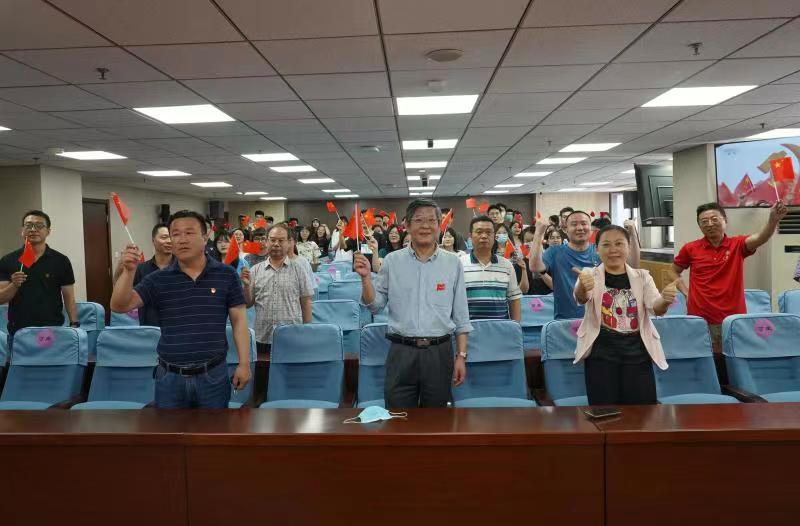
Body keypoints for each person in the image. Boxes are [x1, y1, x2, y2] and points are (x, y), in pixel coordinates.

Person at [110, 210, 251, 409]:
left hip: (213, 375)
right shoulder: (158, 279)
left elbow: (239, 322)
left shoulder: (226, 274)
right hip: (170, 377)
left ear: (205, 237)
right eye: (175, 234)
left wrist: (244, 364)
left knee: (214, 429)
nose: (182, 239)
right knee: (169, 429)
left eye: (189, 232)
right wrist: (128, 271)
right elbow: (119, 305)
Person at [356, 199, 472, 408]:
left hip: (439, 352)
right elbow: (376, 305)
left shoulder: (453, 263)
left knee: (436, 418)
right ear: (407, 225)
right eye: (418, 220)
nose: (425, 226)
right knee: (398, 417)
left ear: (439, 225)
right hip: (401, 351)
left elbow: (461, 316)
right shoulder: (392, 261)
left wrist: (461, 356)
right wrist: (365, 279)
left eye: (431, 220)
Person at [574, 225, 675, 405]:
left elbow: (656, 308)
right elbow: (581, 298)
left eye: (619, 243)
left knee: (642, 410)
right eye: (606, 244)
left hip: (637, 350)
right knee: (604, 410)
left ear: (629, 247)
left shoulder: (642, 276)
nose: (613, 249)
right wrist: (583, 286)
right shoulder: (589, 274)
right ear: (597, 249)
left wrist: (665, 300)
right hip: (601, 352)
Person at [670, 201, 788, 352]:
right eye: (704, 221)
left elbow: (760, 237)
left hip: (732, 318)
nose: (709, 224)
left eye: (714, 219)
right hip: (700, 316)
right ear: (699, 225)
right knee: (706, 358)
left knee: (733, 356)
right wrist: (686, 293)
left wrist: (773, 220)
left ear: (725, 220)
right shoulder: (690, 248)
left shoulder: (737, 244)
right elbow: (673, 271)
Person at [0, 210, 79, 345]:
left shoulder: (61, 261)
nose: (33, 229)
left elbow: (68, 296)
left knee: (50, 358)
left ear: (48, 231)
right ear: (22, 231)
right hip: (19, 330)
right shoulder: (8, 260)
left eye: (39, 225)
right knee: (19, 360)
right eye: (28, 225)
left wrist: (74, 323)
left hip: (51, 330)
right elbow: (1, 298)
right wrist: (14, 285)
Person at [241, 224, 313, 354]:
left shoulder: (299, 270)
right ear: (267, 241)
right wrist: (246, 286)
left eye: (281, 240)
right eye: (272, 240)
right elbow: (247, 303)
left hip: (292, 337)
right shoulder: (255, 270)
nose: (276, 244)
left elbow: (306, 303)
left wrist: (307, 332)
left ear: (289, 243)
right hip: (262, 338)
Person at [460, 215, 522, 321]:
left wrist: (516, 327)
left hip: (500, 328)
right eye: (479, 232)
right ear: (470, 236)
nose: (484, 236)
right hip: (468, 329)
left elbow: (514, 299)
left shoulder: (507, 265)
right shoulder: (459, 264)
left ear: (494, 236)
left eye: (489, 232)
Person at [112, 223, 174, 326]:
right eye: (164, 237)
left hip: (176, 329)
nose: (169, 241)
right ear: (153, 240)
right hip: (149, 329)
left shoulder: (182, 268)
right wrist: (123, 267)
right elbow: (118, 286)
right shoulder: (141, 268)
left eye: (172, 237)